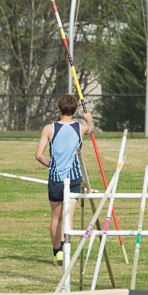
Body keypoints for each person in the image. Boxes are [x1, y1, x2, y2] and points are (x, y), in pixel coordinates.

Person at [35, 95, 94, 265]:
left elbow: (38, 155)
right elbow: (91, 130)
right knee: (68, 216)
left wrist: (51, 165)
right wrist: (89, 119)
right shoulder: (80, 128)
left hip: (56, 178)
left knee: (56, 217)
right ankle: (64, 248)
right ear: (75, 111)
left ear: (59, 109)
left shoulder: (48, 129)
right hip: (74, 178)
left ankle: (57, 252)